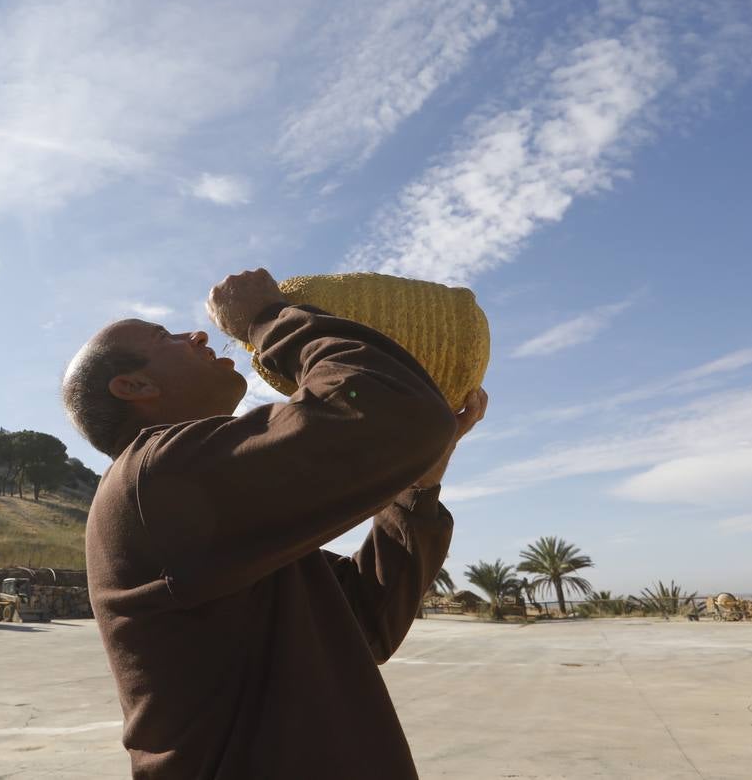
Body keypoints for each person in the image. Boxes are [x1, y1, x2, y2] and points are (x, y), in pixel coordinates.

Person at [62, 267, 488, 779]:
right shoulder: (154, 477)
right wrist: (266, 318)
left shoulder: (205, 501)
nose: (195, 333)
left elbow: (367, 622)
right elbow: (389, 407)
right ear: (134, 385)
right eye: (163, 337)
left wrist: (417, 484)